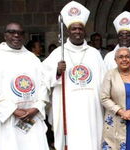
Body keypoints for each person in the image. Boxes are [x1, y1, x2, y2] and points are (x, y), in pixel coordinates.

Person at [42, 1, 105, 150]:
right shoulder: (58, 53)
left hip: (92, 109)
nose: (77, 31)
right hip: (68, 110)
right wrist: (57, 71)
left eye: (80, 28)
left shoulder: (94, 54)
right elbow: (43, 79)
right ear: (68, 31)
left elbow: (104, 82)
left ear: (84, 31)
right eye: (73, 28)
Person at [0, 22, 49, 150]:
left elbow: (44, 84)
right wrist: (13, 110)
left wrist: (36, 108)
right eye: (12, 32)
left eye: (20, 33)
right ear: (5, 35)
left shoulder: (32, 58)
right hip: (7, 119)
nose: (16, 35)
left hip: (32, 118)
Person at [100, 47, 130, 150]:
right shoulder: (110, 75)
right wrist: (121, 112)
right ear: (115, 60)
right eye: (120, 57)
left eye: (127, 56)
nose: (124, 59)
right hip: (115, 121)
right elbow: (104, 98)